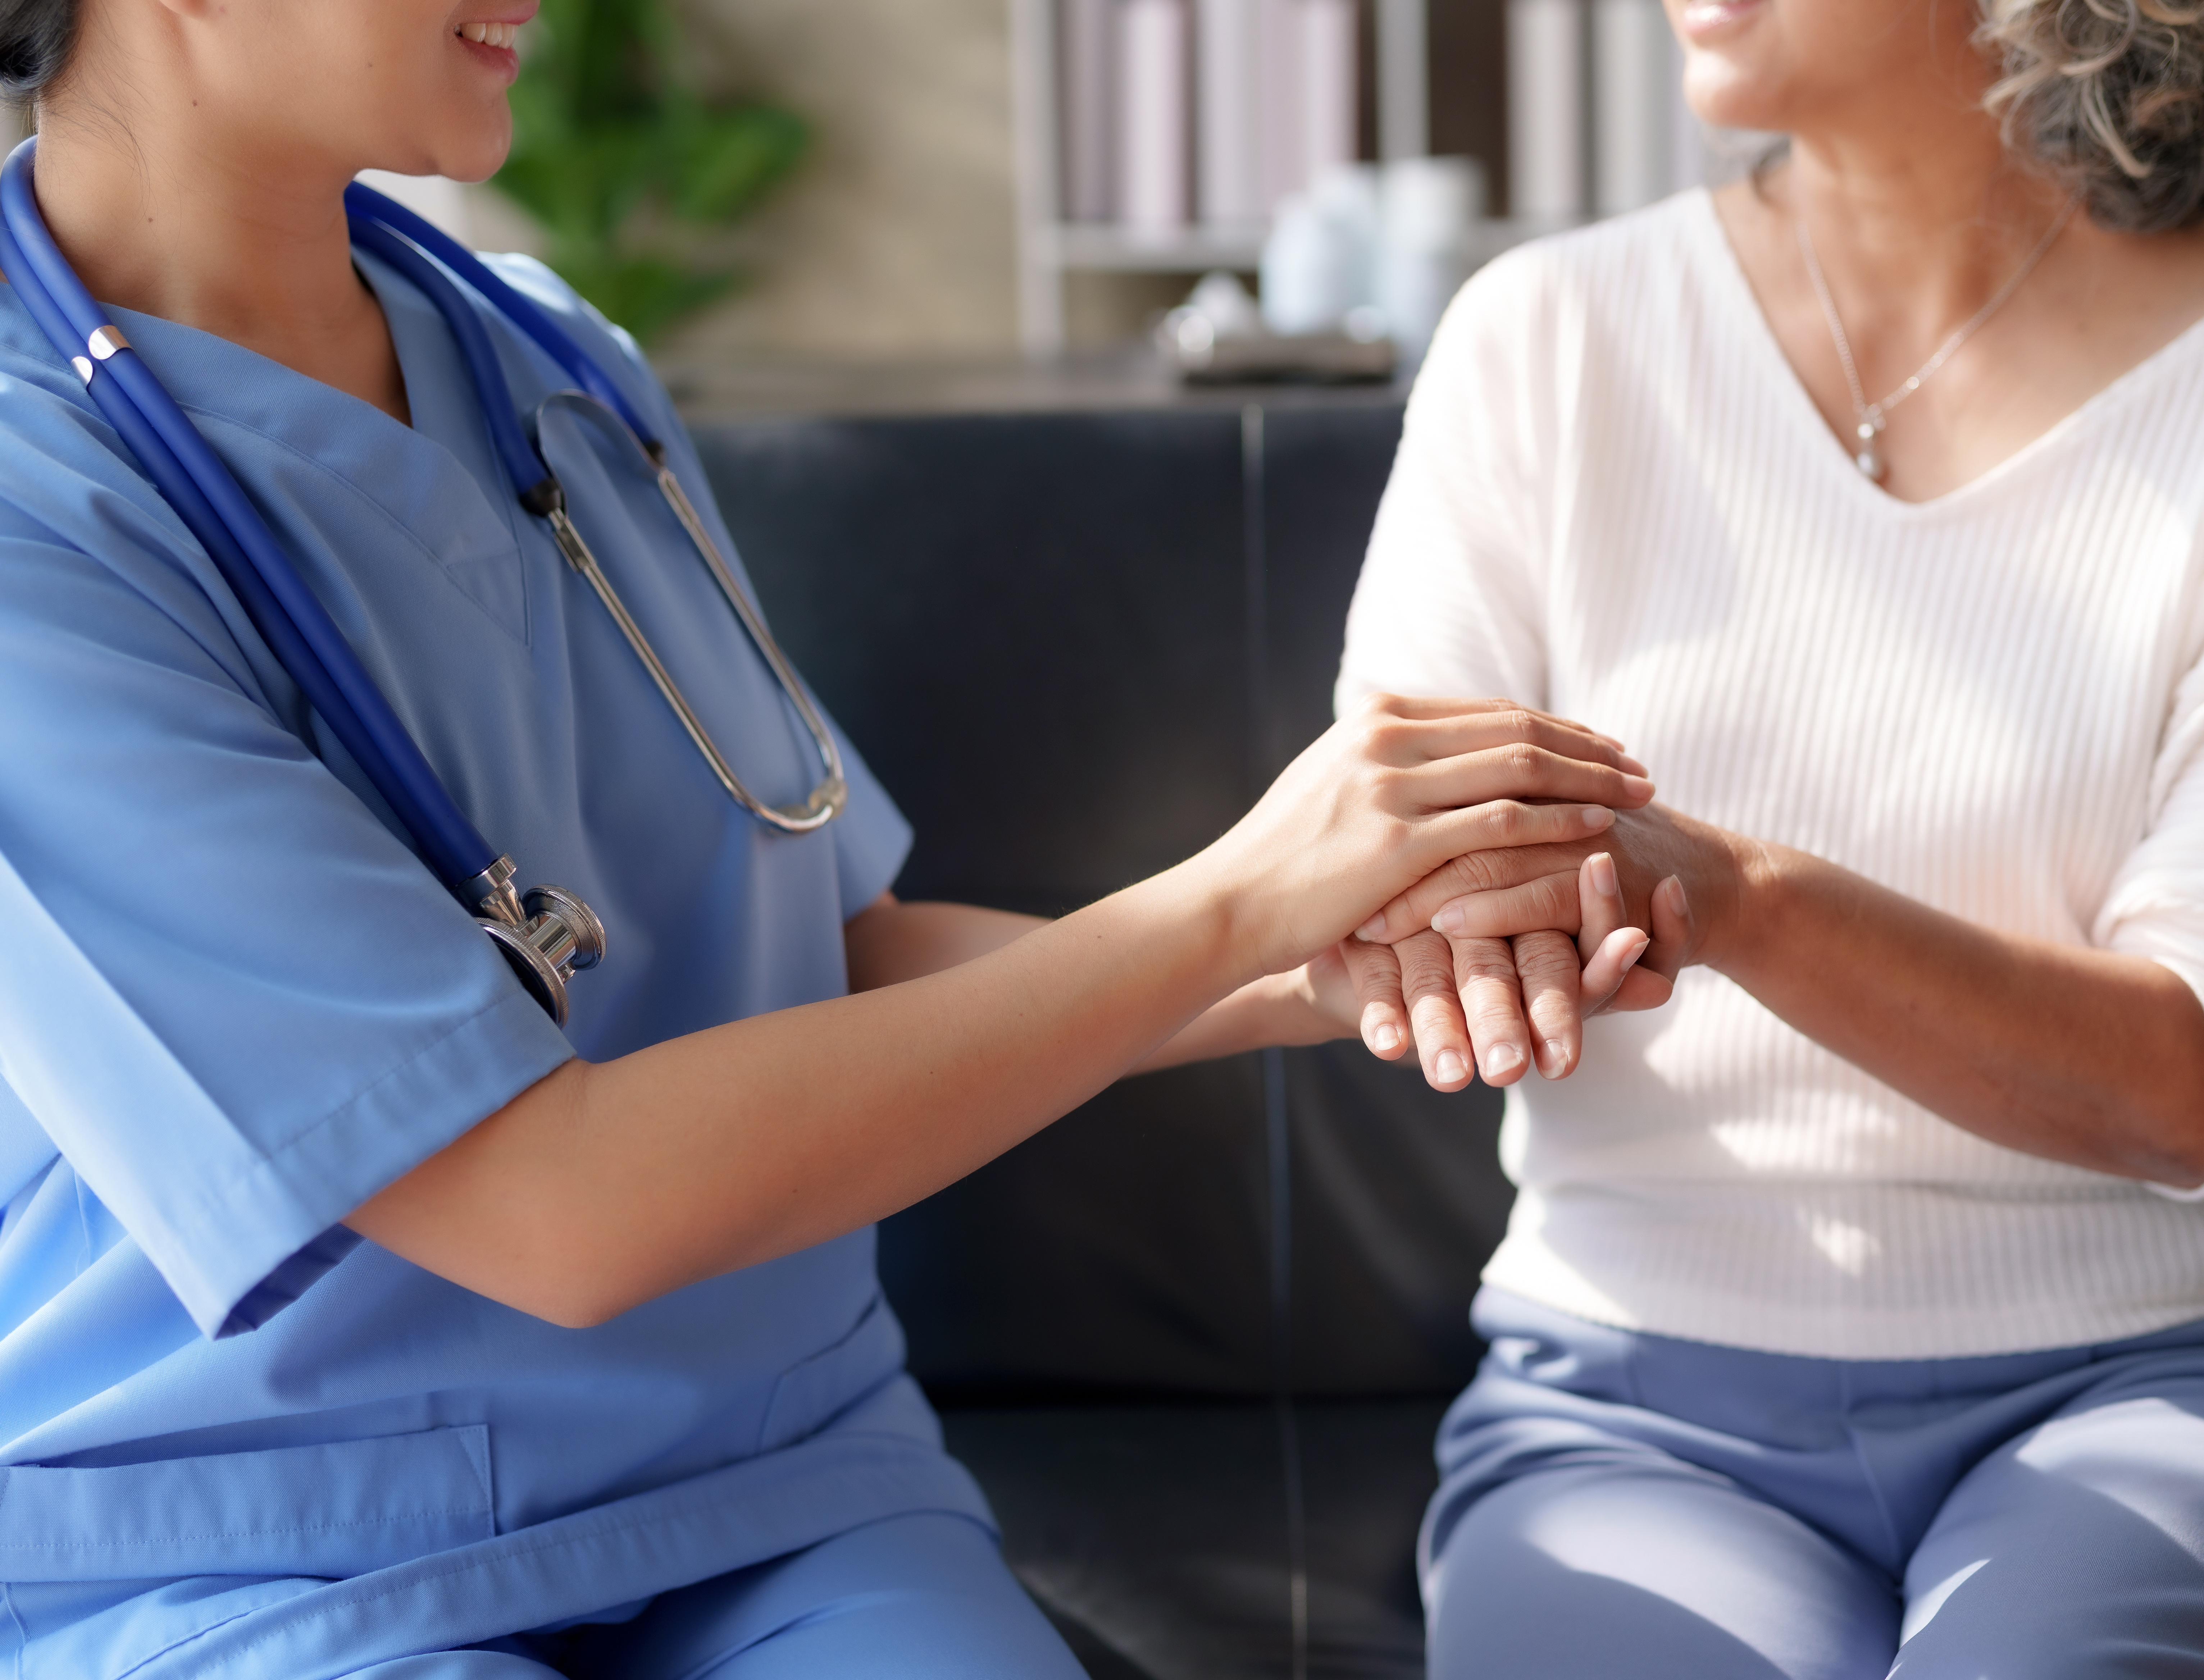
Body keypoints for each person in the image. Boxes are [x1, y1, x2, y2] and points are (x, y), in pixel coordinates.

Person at [0, 2, 1670, 1676]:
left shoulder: (552, 366)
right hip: (252, 1551)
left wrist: (1327, 955)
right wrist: (1233, 904)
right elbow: (548, 1204)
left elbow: (843, 957)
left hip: (772, 1484)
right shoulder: (31, 511)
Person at [1327, 0, 2204, 1674]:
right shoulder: (1544, 340)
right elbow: (1386, 877)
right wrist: (1427, 928)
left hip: (2150, 1376)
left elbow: (2202, 1077)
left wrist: (1739, 902)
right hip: (1629, 1407)